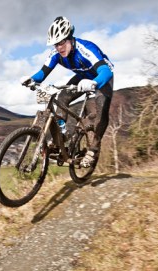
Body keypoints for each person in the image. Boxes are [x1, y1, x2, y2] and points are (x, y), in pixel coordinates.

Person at [21, 16, 114, 168]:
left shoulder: (86, 49)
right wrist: (31, 79)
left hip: (101, 77)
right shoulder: (56, 54)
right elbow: (43, 73)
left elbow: (106, 71)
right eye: (55, 44)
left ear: (70, 38)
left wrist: (95, 82)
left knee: (101, 110)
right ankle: (61, 137)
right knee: (62, 96)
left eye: (62, 42)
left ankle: (94, 149)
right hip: (82, 76)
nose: (59, 47)